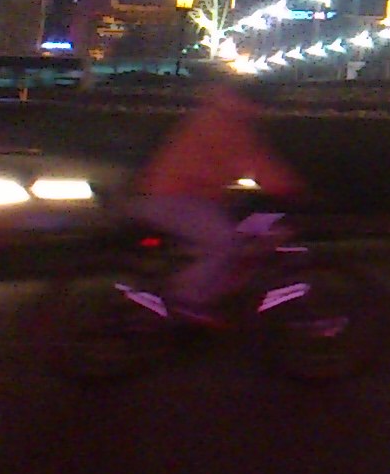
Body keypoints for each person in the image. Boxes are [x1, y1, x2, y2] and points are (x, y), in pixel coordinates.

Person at [129, 81, 308, 317]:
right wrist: (295, 191)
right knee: (224, 243)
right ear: (254, 103)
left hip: (183, 196)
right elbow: (257, 165)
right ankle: (186, 301)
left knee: (242, 231)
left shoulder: (222, 115)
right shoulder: (226, 123)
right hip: (172, 199)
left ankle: (211, 291)